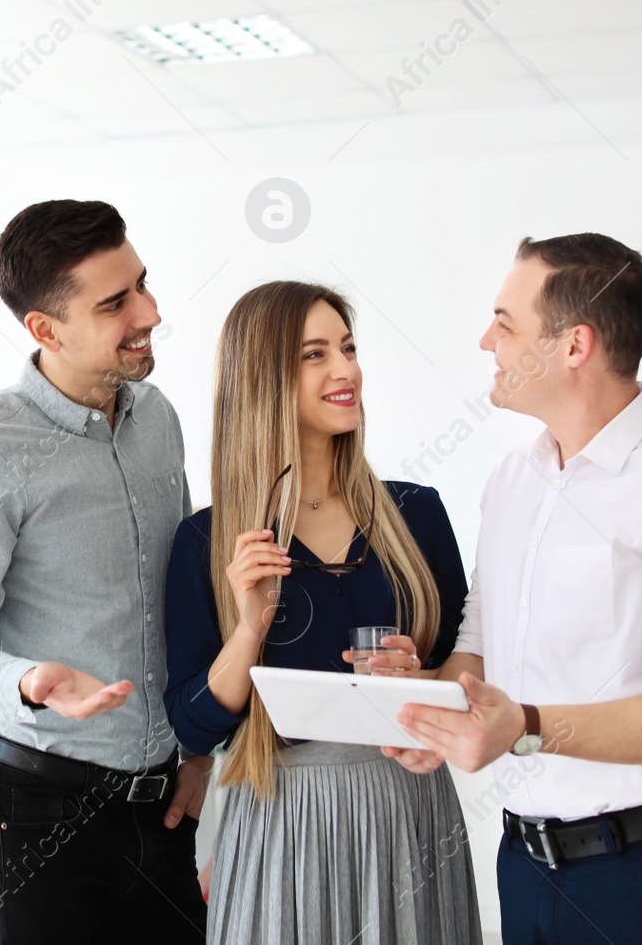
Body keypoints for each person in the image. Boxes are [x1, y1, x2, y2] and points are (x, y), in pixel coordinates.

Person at [386, 233, 642, 944]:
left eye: (505, 322)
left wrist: (525, 726)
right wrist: (433, 704)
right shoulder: (513, 481)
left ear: (574, 346)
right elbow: (480, 643)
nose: (484, 340)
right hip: (527, 865)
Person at [0, 199, 209, 944]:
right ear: (45, 330)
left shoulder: (160, 420)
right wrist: (24, 681)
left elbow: (184, 598)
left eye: (141, 284)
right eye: (115, 303)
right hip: (44, 809)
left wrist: (201, 751)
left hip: (166, 802)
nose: (149, 311)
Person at [164, 281, 482, 944]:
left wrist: (424, 679)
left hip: (410, 811)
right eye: (315, 354)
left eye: (348, 347)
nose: (346, 369)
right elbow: (193, 725)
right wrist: (249, 628)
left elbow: (469, 672)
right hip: (281, 814)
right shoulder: (208, 541)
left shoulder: (415, 512)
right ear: (264, 379)